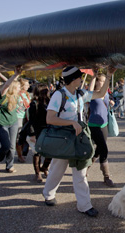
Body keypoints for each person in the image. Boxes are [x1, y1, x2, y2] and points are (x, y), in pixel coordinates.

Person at [43, 65, 116, 218]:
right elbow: (50, 118)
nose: (81, 79)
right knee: (57, 168)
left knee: (81, 172)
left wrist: (108, 76)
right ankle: (48, 194)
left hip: (80, 138)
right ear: (73, 79)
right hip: (63, 138)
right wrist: (71, 123)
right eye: (79, 77)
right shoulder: (58, 95)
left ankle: (84, 205)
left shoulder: (81, 93)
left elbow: (101, 93)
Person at [0, 67, 23, 173]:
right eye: (18, 87)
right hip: (1, 123)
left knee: (12, 146)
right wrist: (14, 75)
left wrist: (17, 75)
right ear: (13, 88)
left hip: (13, 122)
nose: (20, 88)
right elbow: (7, 85)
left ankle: (9, 165)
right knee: (6, 145)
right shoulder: (3, 95)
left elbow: (11, 82)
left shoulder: (17, 96)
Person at [87, 72, 116, 187]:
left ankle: (86, 168)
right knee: (104, 149)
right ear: (97, 82)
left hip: (104, 124)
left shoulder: (106, 93)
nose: (104, 83)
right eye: (102, 81)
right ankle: (107, 176)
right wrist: (93, 77)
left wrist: (110, 102)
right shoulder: (92, 94)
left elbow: (106, 102)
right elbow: (89, 90)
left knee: (99, 150)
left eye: (105, 81)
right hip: (94, 126)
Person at [25, 83, 52, 182]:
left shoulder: (50, 101)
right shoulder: (34, 103)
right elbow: (31, 121)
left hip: (49, 130)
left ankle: (44, 167)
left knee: (50, 152)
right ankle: (37, 173)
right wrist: (32, 134)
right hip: (37, 131)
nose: (48, 90)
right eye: (46, 89)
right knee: (37, 153)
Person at [15, 78, 31, 163]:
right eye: (26, 85)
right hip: (18, 117)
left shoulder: (27, 94)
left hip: (26, 117)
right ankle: (19, 155)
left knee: (26, 136)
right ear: (21, 86)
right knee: (19, 137)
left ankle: (24, 153)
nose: (28, 86)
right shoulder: (16, 94)